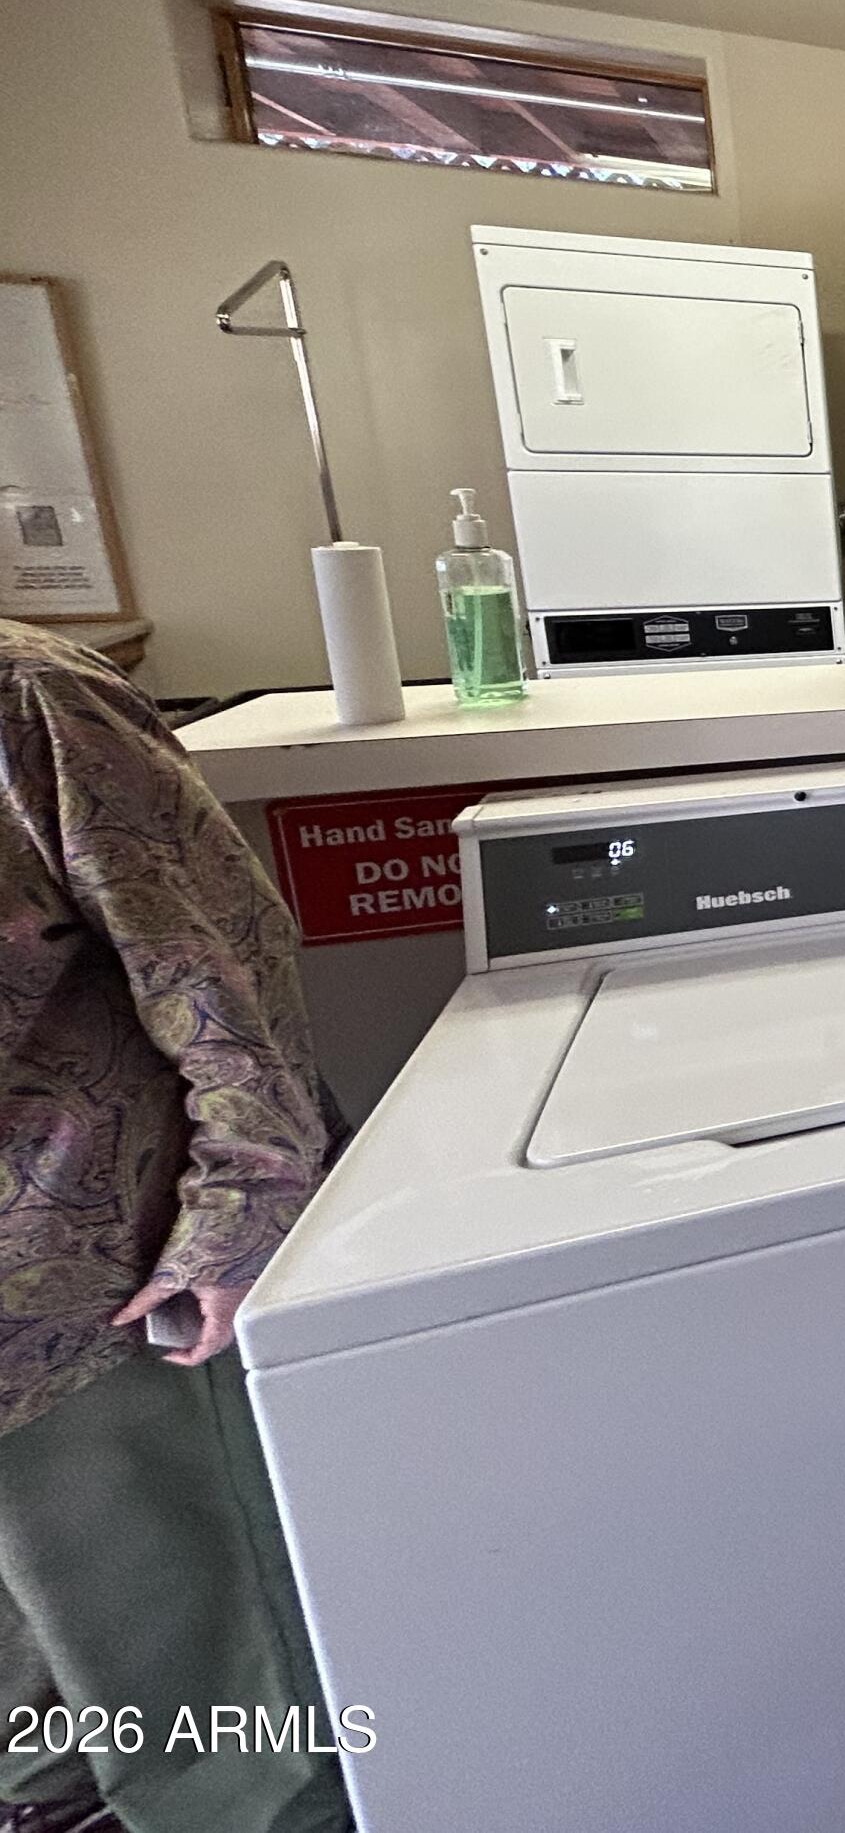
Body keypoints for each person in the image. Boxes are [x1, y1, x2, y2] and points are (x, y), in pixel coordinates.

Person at [0, 622, 349, 1833]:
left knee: (210, 1685)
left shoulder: (27, 696)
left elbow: (219, 966)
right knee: (34, 1699)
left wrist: (240, 1213)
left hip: (87, 1284)